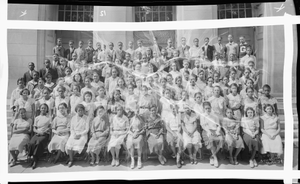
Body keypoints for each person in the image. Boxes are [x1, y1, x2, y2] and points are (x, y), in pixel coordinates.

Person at [200, 101, 224, 168]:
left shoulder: (214, 115)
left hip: (215, 130)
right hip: (206, 131)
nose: (208, 109)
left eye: (209, 108)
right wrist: (208, 131)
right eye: (206, 108)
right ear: (204, 109)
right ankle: (215, 158)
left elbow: (218, 125)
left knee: (221, 139)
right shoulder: (202, 115)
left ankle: (212, 157)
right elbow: (203, 125)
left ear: (211, 108)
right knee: (211, 140)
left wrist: (217, 131)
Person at [27, 103, 51, 169]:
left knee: (38, 143)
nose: (43, 109)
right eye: (42, 108)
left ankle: (35, 160)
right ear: (40, 109)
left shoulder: (49, 117)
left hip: (44, 134)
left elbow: (50, 127)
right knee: (31, 143)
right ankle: (32, 156)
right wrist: (38, 132)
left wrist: (44, 132)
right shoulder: (37, 118)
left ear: (47, 109)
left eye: (45, 108)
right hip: (37, 133)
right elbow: (34, 128)